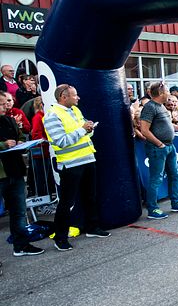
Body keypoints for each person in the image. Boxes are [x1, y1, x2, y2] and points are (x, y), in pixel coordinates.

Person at [43, 84, 110, 251]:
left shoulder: (75, 111)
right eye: (74, 95)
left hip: (87, 159)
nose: (78, 98)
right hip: (71, 163)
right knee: (66, 202)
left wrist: (89, 129)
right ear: (63, 97)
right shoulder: (52, 115)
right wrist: (82, 130)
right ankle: (60, 238)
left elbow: (84, 133)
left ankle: (92, 227)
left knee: (90, 196)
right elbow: (61, 141)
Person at [0, 94, 45, 257]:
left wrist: (20, 143)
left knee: (19, 211)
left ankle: (21, 245)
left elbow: (19, 135)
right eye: (2, 104)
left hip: (16, 171)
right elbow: (5, 143)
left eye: (6, 103)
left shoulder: (10, 120)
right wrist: (4, 145)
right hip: (1, 174)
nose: (6, 106)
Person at [139, 81, 178, 220]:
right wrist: (159, 143)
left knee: (175, 175)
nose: (170, 93)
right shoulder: (150, 107)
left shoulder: (161, 106)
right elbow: (144, 129)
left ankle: (176, 202)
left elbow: (167, 124)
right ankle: (153, 209)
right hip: (158, 148)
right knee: (156, 178)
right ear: (161, 93)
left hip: (169, 146)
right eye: (167, 91)